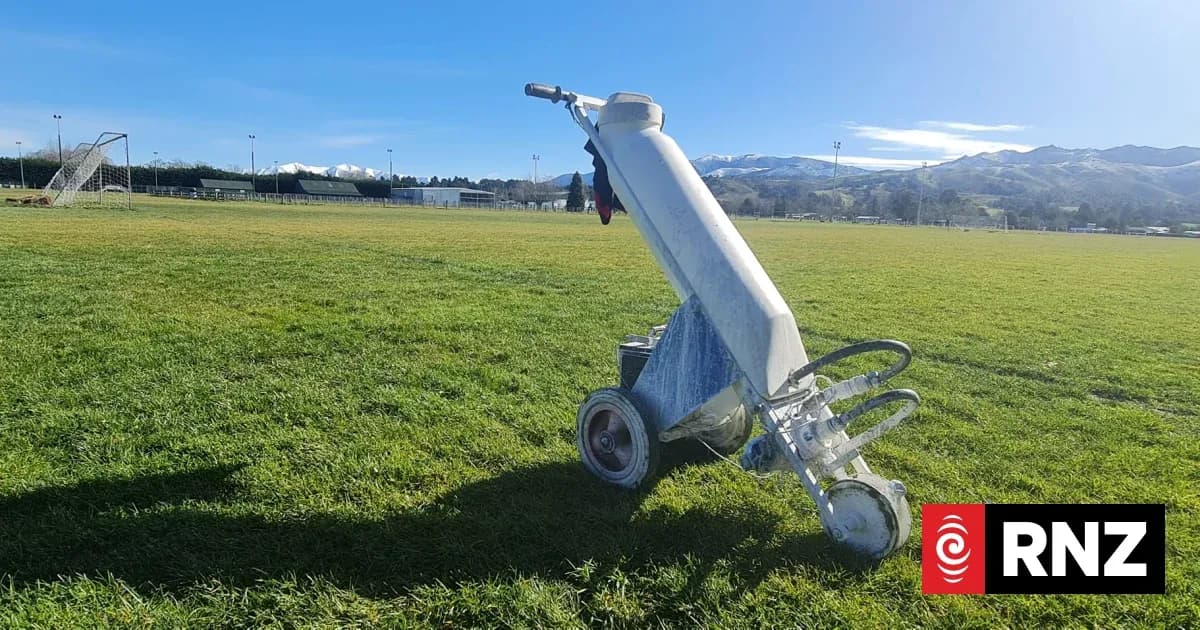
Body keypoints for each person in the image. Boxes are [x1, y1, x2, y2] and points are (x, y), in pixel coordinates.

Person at [583, 139, 624, 225]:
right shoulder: (601, 208)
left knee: (602, 164)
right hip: (600, 184)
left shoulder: (603, 209)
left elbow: (608, 200)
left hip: (602, 184)